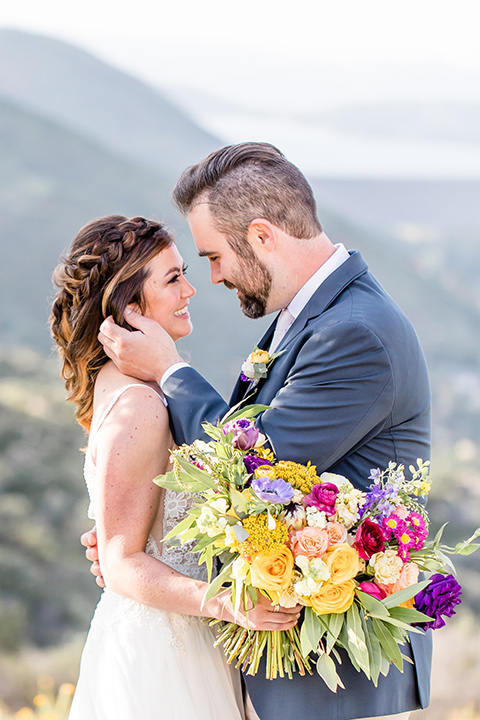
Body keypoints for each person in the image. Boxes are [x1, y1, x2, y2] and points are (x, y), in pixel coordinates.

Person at [85, 143, 433, 720]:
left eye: (215, 256)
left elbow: (256, 468)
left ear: (263, 235)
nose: (213, 277)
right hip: (288, 666)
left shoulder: (355, 333)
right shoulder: (311, 320)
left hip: (340, 680)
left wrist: (170, 371)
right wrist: (144, 541)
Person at [51, 214, 300, 720]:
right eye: (172, 279)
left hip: (186, 635)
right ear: (129, 305)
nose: (191, 288)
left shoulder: (127, 388)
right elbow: (122, 563)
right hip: (162, 653)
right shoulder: (140, 406)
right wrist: (229, 603)